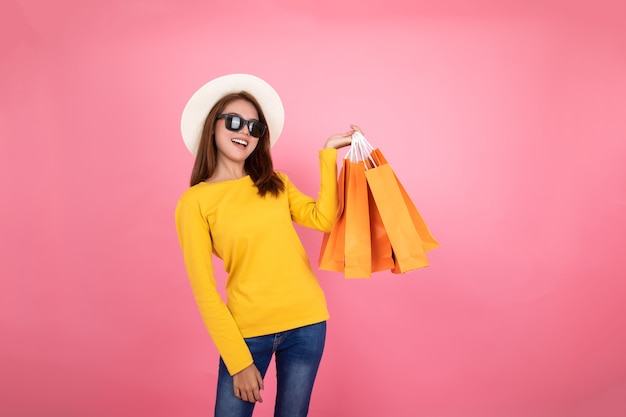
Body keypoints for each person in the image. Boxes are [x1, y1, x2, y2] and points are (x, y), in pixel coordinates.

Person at [175, 73, 359, 417]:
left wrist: (328, 155)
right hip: (246, 334)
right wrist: (238, 360)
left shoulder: (275, 183)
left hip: (307, 323)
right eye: (234, 122)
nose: (244, 131)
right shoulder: (194, 203)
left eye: (254, 127)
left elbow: (323, 219)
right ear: (212, 128)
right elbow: (204, 291)